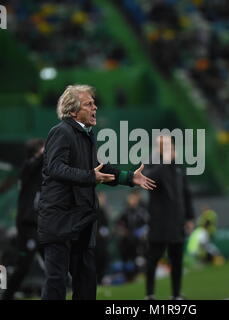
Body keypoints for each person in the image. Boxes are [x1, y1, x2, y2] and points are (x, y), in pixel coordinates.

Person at [38, 84, 156, 300]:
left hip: (82, 219)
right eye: (89, 104)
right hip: (60, 220)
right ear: (73, 111)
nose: (95, 107)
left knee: (86, 283)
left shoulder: (86, 135)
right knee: (56, 283)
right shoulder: (61, 131)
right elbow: (54, 168)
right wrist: (90, 176)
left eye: (94, 103)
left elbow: (100, 168)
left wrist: (129, 177)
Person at [143, 136, 194, 300]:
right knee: (153, 259)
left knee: (177, 260)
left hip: (177, 222)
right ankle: (150, 294)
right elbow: (150, 180)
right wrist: (164, 162)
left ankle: (176, 294)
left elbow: (186, 194)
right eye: (162, 145)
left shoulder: (178, 167)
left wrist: (190, 217)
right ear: (157, 148)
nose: (167, 148)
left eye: (168, 145)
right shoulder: (152, 164)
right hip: (159, 223)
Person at [2, 138, 44, 300]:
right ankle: (8, 295)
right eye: (43, 149)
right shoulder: (28, 166)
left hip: (39, 224)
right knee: (24, 265)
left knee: (54, 260)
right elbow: (38, 162)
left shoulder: (40, 169)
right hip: (28, 225)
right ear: (36, 151)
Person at [116, 190, 149, 281]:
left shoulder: (142, 211)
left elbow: (147, 224)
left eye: (134, 198)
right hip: (128, 241)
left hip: (140, 241)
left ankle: (141, 275)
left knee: (140, 258)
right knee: (128, 260)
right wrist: (123, 231)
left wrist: (143, 232)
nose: (132, 200)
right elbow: (119, 225)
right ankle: (129, 277)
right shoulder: (125, 213)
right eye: (131, 198)